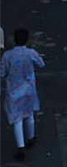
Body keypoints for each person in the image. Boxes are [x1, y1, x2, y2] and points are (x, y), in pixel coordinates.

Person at [1, 28, 46, 160]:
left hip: (14, 91)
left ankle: (20, 147)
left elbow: (2, 72)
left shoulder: (7, 55)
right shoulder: (31, 53)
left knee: (17, 119)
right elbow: (41, 64)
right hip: (29, 90)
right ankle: (31, 137)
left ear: (14, 40)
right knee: (30, 114)